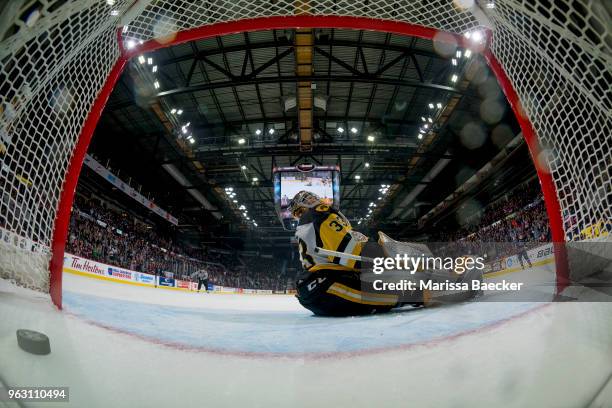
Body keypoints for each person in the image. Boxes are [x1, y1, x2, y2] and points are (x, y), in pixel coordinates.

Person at [288, 191, 402, 316]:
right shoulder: (320, 213)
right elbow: (350, 251)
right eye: (309, 199)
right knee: (402, 293)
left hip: (312, 291)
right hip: (330, 284)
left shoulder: (304, 226)